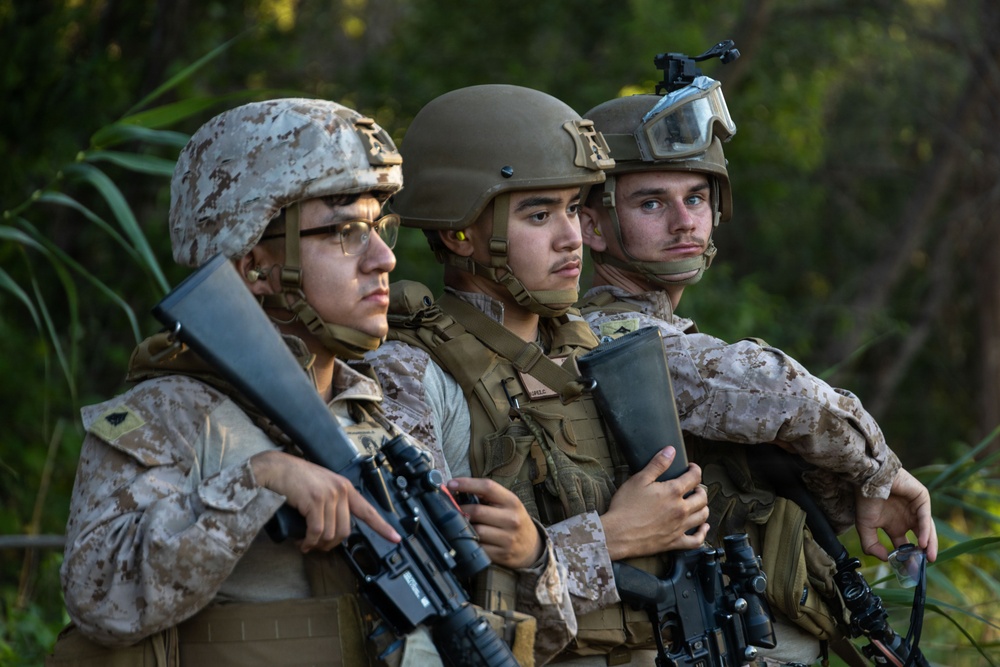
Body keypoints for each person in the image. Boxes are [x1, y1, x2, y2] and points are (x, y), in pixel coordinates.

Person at [51, 98, 561, 667]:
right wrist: (259, 481)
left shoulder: (376, 416)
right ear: (255, 268)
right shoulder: (169, 414)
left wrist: (531, 556)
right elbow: (99, 599)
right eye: (346, 232)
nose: (385, 258)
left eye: (379, 227)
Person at [576, 75, 939, 666]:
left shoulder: (654, 331)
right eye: (651, 202)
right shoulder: (612, 339)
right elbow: (778, 393)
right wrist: (881, 471)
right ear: (591, 226)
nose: (683, 221)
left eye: (696, 198)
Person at [365, 83, 711, 666]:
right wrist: (615, 538)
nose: (572, 236)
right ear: (459, 232)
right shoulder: (410, 372)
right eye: (538, 213)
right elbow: (425, 606)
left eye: (575, 208)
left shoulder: (592, 348)